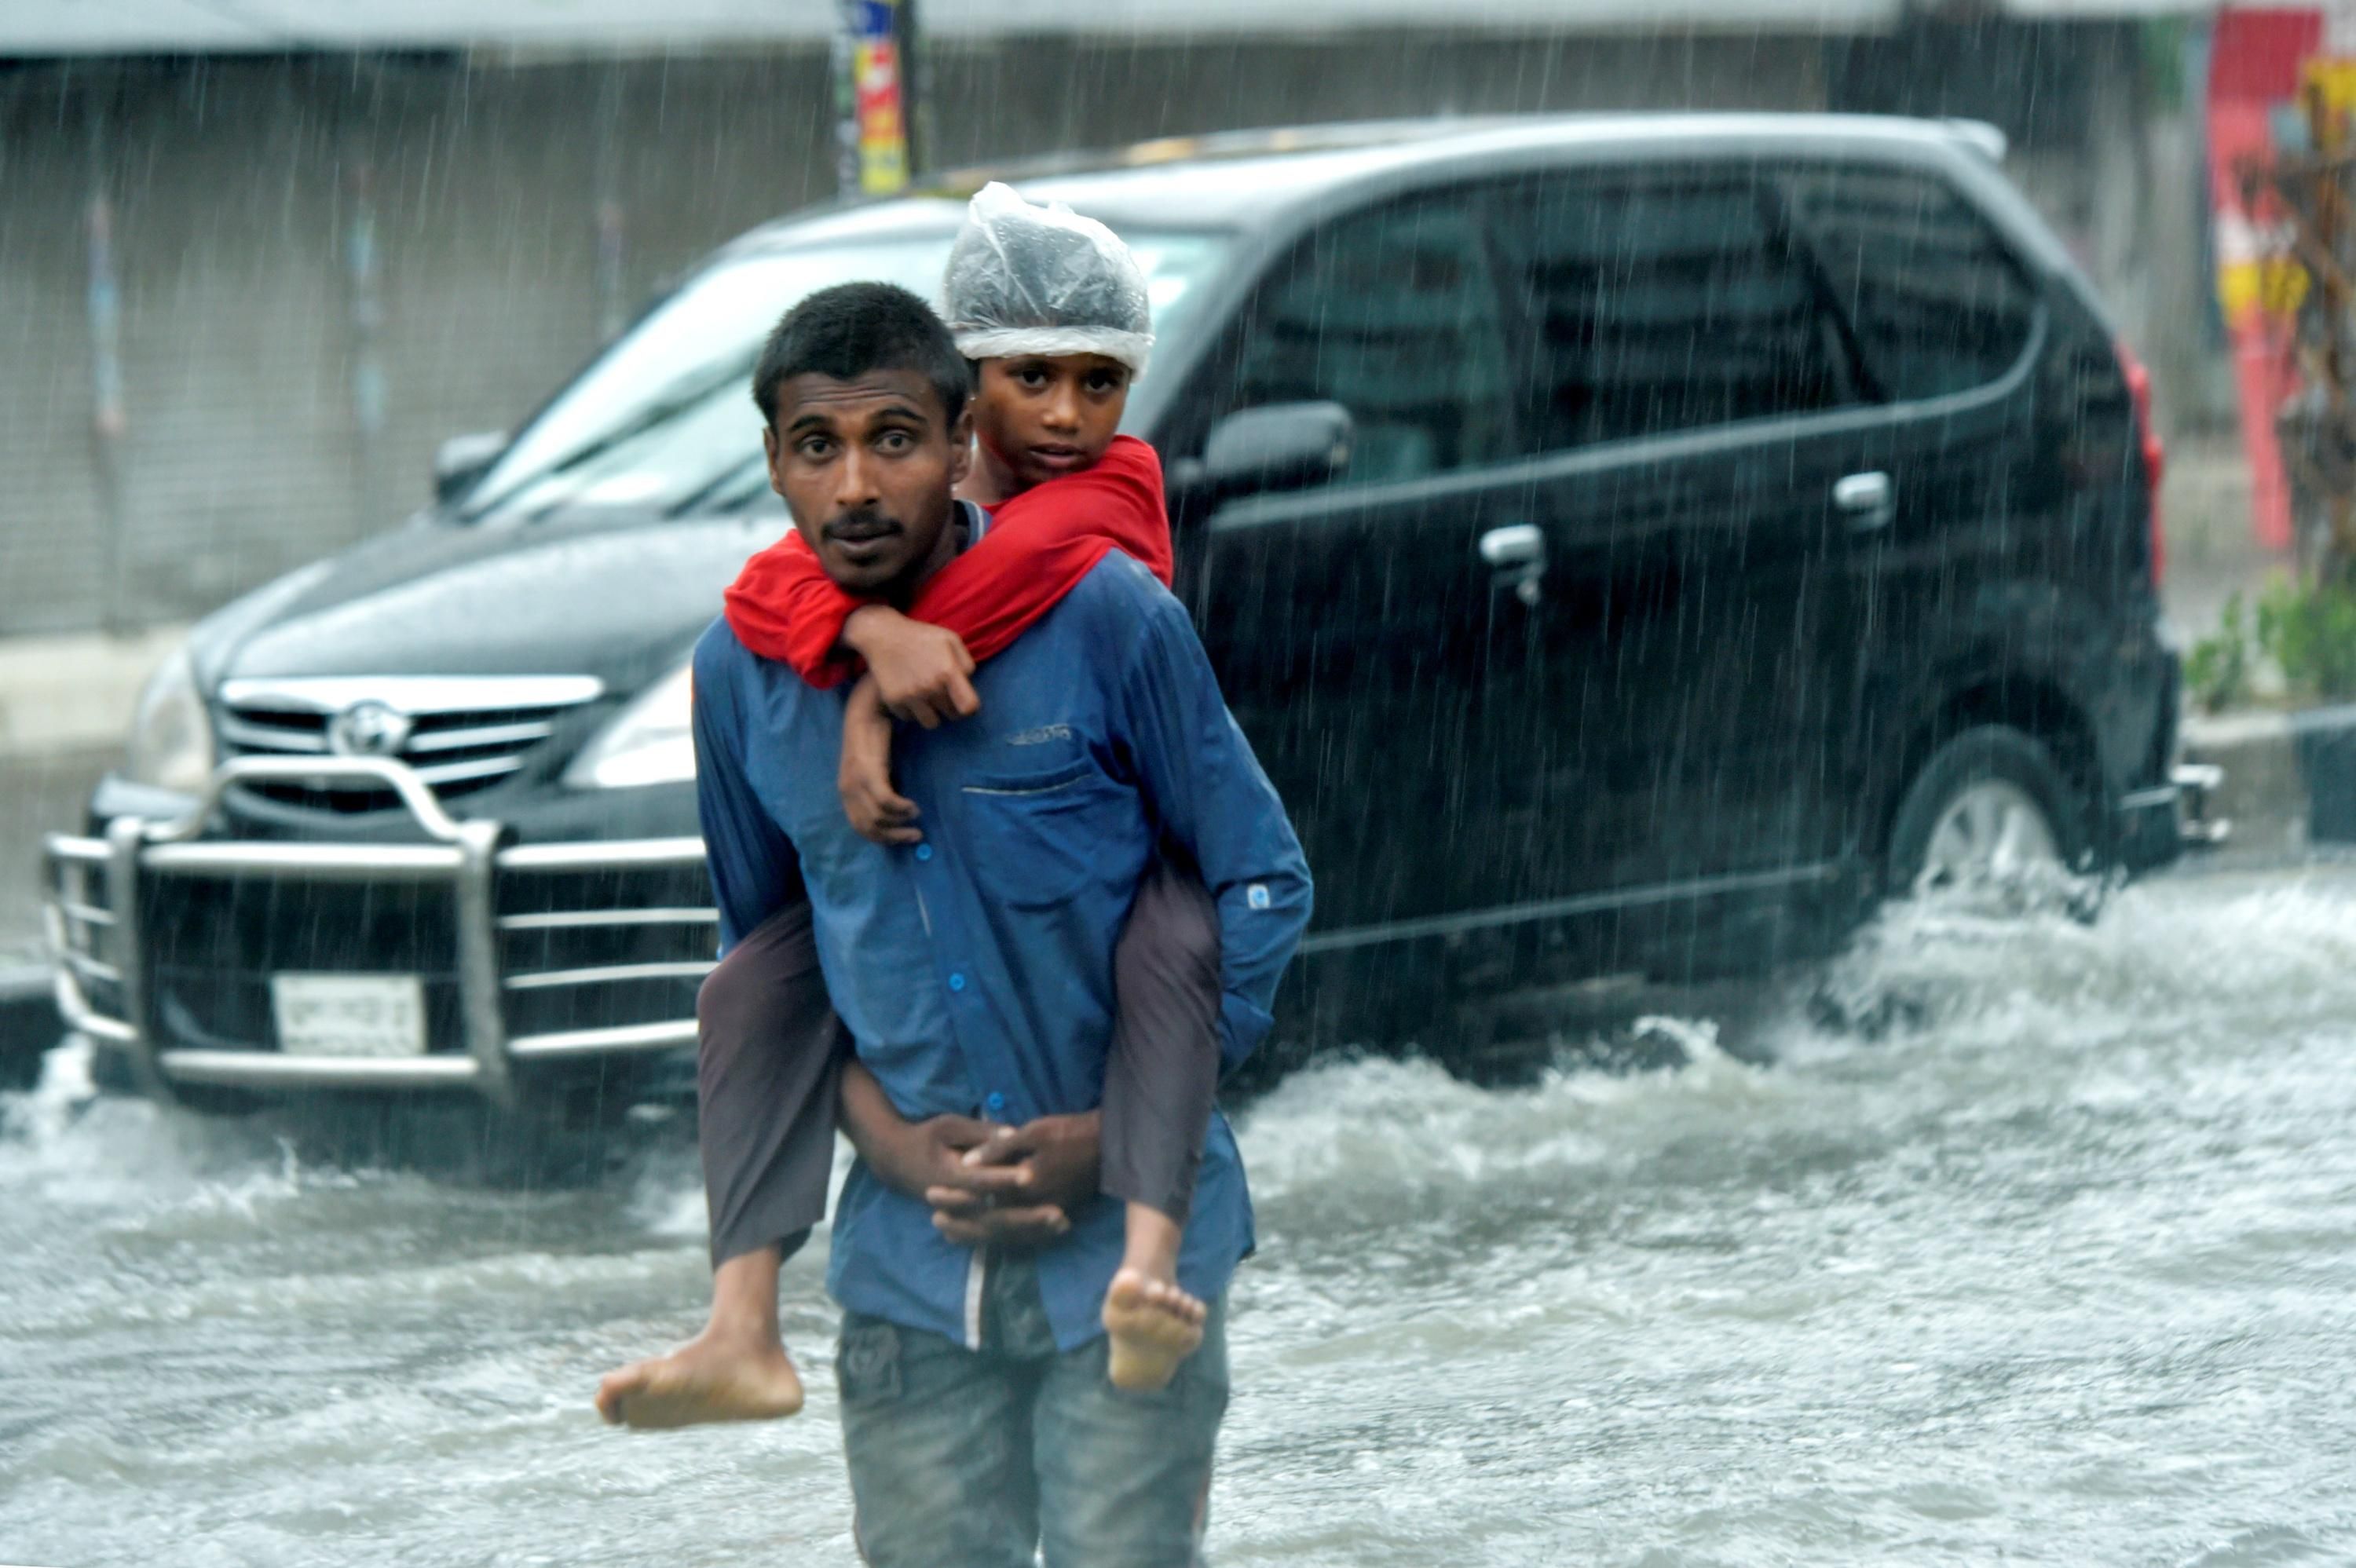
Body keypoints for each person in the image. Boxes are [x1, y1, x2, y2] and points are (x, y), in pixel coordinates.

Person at [635, 279, 1311, 1563]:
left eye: (894, 439)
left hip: (1130, 1258)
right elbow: (778, 958)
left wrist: (1117, 1136)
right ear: (772, 463)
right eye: (815, 448)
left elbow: (1262, 881)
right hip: (908, 1277)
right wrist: (881, 1137)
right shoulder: (740, 676)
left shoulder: (1105, 615)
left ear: (961, 447)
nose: (854, 488)